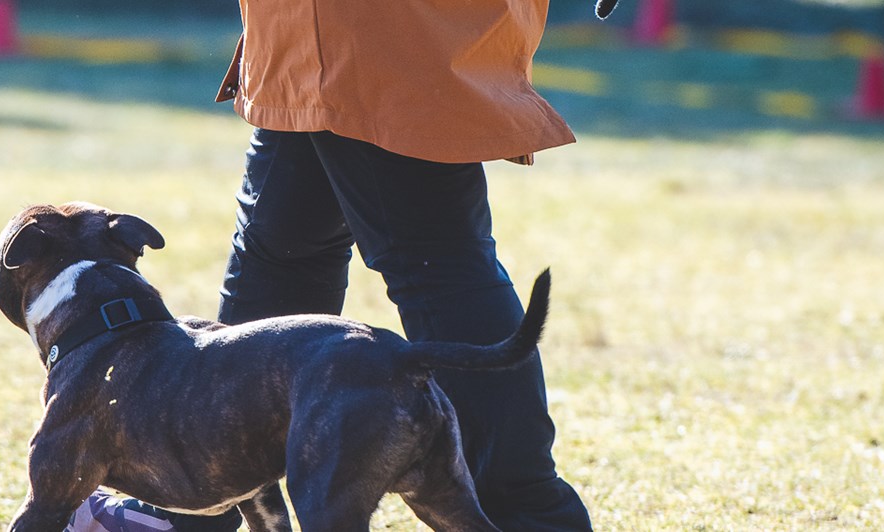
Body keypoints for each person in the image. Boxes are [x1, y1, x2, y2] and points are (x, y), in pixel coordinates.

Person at [70, 0, 593, 528]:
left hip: (363, 30)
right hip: (316, 34)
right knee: (281, 258)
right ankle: (198, 508)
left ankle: (530, 517)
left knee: (438, 264)